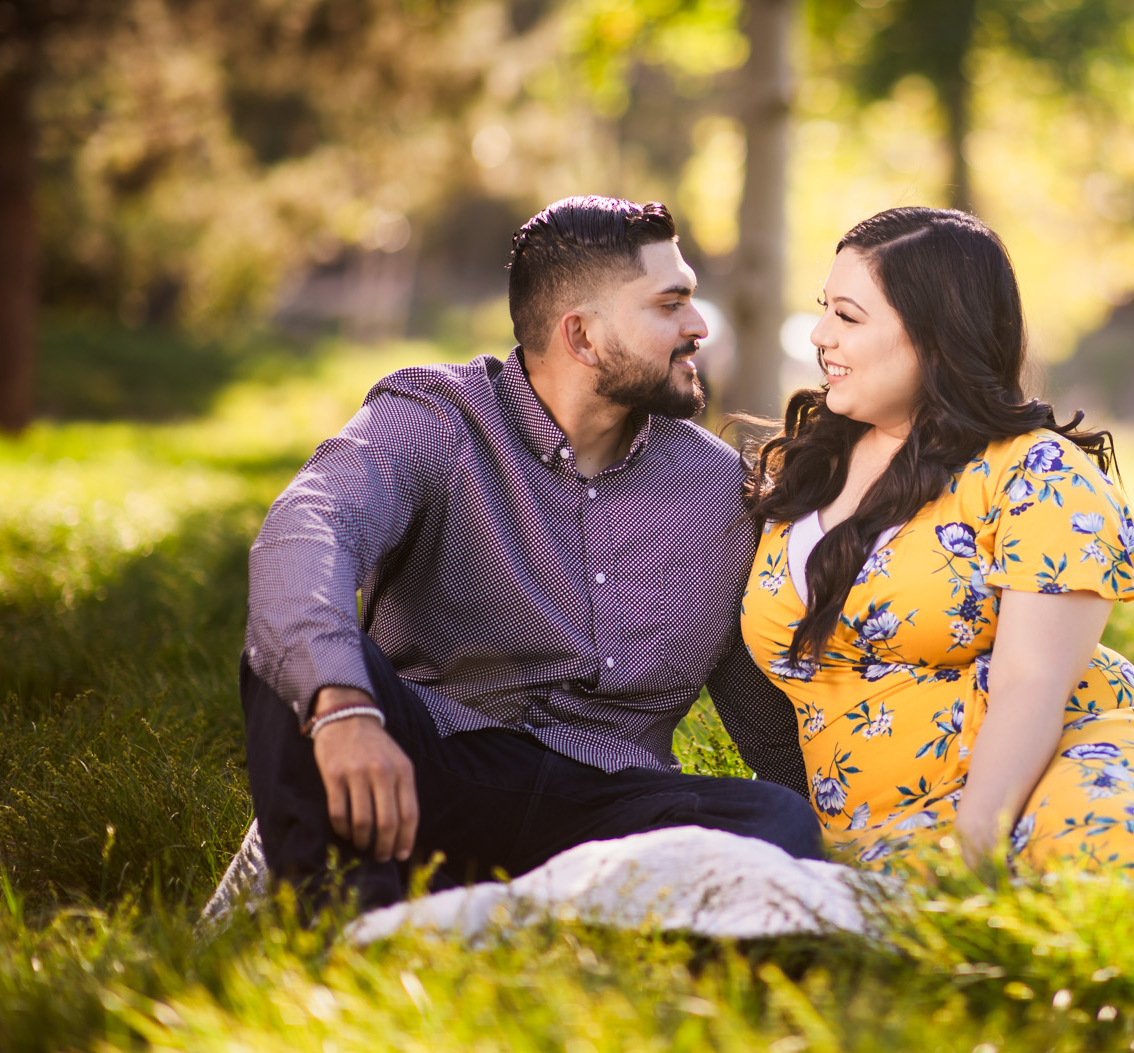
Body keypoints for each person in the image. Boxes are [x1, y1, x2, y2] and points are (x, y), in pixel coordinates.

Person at [739, 207, 1134, 894]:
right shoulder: (809, 467)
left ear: (935, 334)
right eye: (823, 310)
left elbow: (1031, 682)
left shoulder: (1034, 475)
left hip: (1067, 761)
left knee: (1092, 866)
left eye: (847, 315)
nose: (818, 335)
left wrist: (973, 851)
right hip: (880, 826)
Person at [242, 196, 821, 913]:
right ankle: (351, 932)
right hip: (434, 772)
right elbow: (308, 528)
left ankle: (494, 917)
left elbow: (770, 722)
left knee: (775, 823)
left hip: (608, 808)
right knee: (303, 657)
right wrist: (343, 710)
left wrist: (872, 828)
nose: (699, 327)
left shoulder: (719, 492)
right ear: (580, 334)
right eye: (671, 304)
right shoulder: (437, 418)